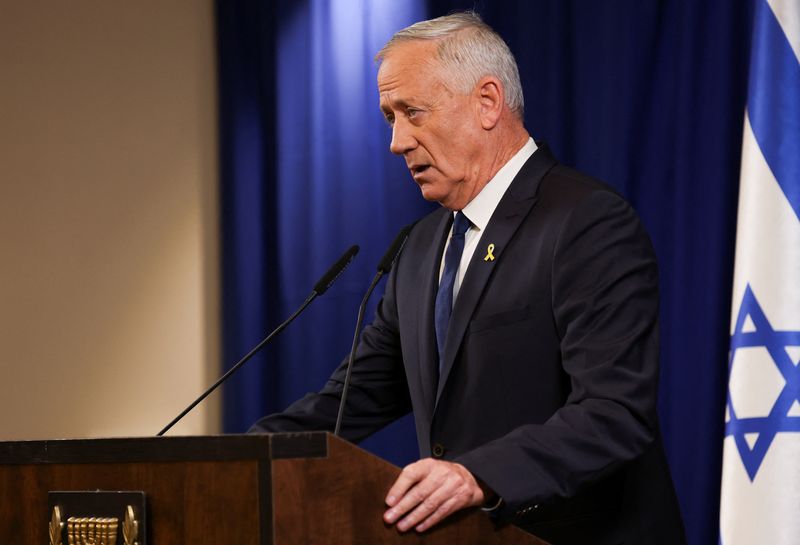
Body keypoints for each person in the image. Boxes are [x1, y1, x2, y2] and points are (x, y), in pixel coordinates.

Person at [250, 11, 686, 545]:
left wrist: (476, 474)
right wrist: (235, 455)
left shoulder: (586, 221)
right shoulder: (421, 248)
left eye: (413, 111)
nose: (397, 141)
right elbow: (349, 402)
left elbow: (612, 412)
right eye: (390, 116)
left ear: (487, 102)